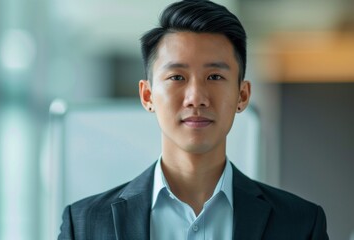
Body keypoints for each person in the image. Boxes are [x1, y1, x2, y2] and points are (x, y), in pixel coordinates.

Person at [58, 0, 329, 239]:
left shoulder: (300, 224)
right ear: (148, 95)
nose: (196, 97)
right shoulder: (84, 225)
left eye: (214, 77)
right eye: (177, 77)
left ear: (242, 95)